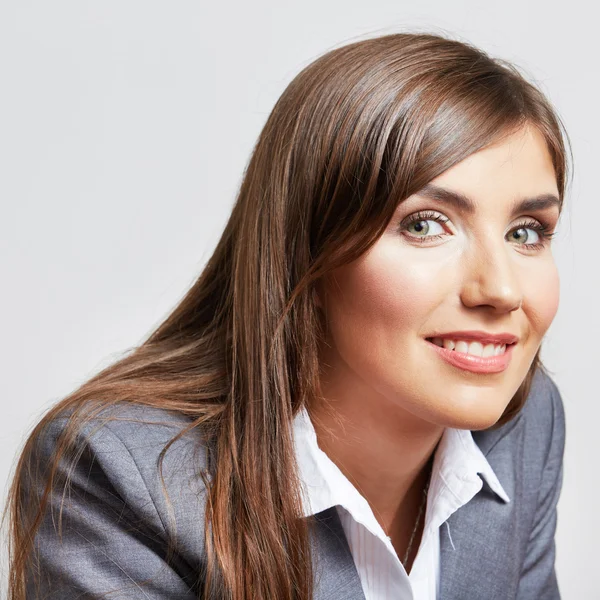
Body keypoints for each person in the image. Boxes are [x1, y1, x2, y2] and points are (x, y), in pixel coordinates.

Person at [4, 31, 569, 599]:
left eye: (527, 233)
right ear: (307, 255)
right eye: (424, 224)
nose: (500, 288)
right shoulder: (123, 475)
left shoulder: (525, 425)